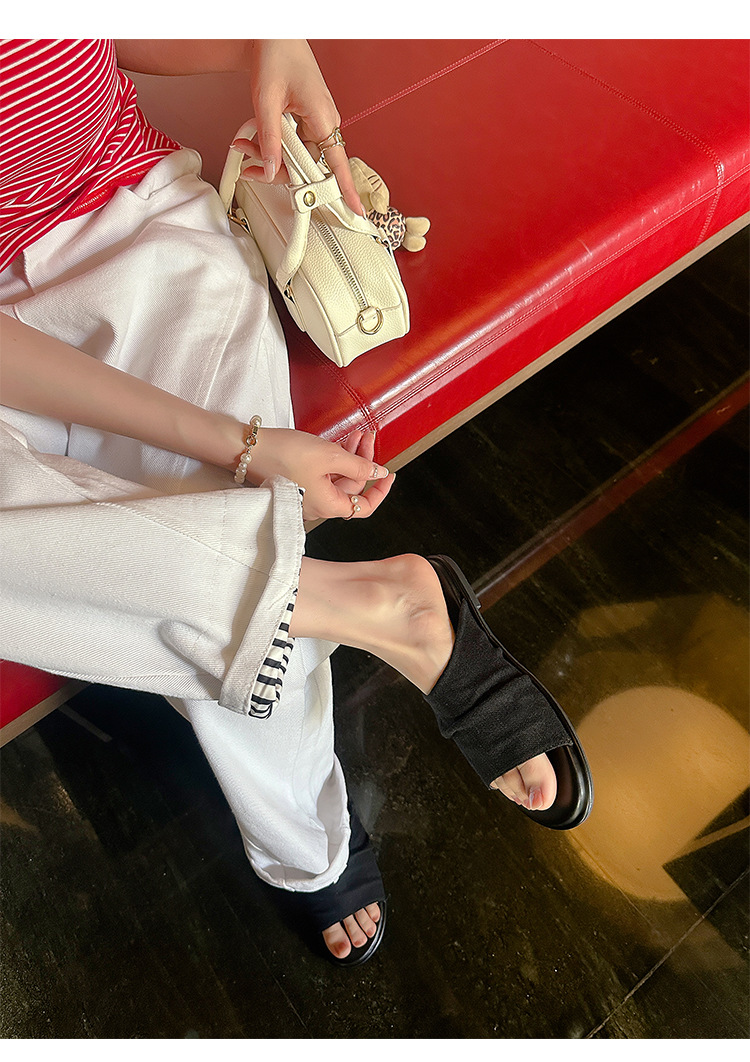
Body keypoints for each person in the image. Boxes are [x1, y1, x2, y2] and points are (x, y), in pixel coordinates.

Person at [0, 38, 592, 967]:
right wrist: (239, 445)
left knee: (219, 516)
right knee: (240, 538)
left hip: (136, 231)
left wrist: (255, 40)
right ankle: (349, 607)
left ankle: (312, 839)